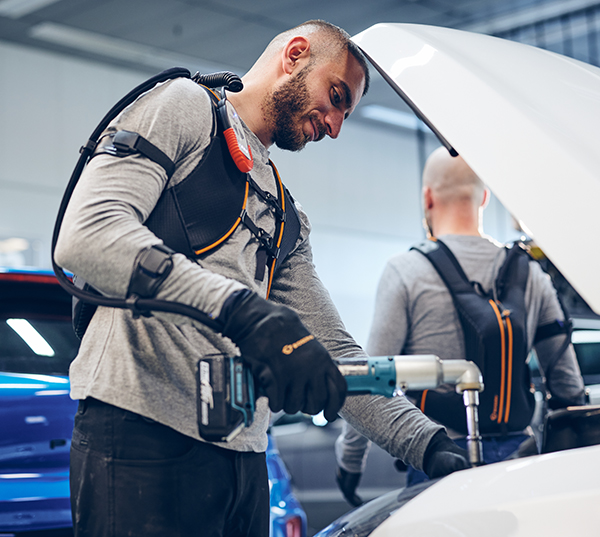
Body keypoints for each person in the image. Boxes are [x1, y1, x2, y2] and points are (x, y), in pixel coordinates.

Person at [55, 21, 470, 537]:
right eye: (336, 96)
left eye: (345, 114)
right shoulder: (184, 106)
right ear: (295, 55)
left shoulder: (282, 212)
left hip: (243, 460)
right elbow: (88, 235)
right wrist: (243, 310)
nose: (336, 126)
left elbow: (336, 354)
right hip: (141, 437)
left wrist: (429, 445)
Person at [335, 146, 586, 505]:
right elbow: (567, 386)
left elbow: (370, 379)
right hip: (522, 461)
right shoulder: (532, 275)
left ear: (427, 198)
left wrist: (350, 462)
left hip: (436, 459)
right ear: (484, 198)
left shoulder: (406, 271)